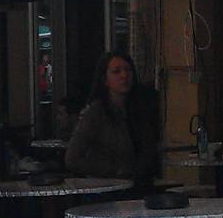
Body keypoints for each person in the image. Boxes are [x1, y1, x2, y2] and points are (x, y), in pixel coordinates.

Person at [66, 51, 160, 185]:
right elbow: (72, 158)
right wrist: (114, 170)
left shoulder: (140, 108)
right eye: (116, 72)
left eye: (128, 70)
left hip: (139, 184)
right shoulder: (96, 112)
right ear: (105, 79)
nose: (124, 76)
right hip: (108, 187)